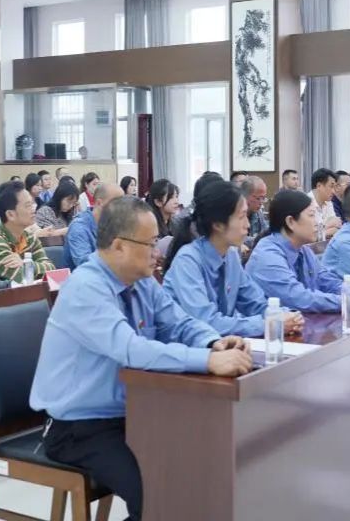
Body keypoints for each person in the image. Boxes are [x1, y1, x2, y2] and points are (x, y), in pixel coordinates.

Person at [30, 197, 253, 521]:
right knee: (157, 493)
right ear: (119, 246)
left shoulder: (142, 281)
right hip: (79, 427)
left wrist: (213, 341)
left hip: (136, 414)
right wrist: (207, 361)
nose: (157, 252)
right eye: (149, 244)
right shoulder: (86, 288)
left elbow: (179, 323)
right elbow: (132, 351)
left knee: (201, 470)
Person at [163, 181, 304, 337]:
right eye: (241, 217)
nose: (247, 225)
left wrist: (285, 316)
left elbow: (255, 303)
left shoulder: (230, 255)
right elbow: (206, 322)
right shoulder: (188, 261)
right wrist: (268, 324)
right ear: (218, 224)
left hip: (222, 346)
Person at [247, 190, 350, 313]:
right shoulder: (268, 254)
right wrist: (349, 301)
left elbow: (326, 281)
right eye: (311, 215)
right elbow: (298, 298)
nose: (318, 222)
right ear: (291, 221)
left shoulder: (303, 250)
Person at [0, 181, 53, 281]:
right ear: (11, 214)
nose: (33, 209)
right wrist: (33, 267)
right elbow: (21, 278)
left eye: (32, 204)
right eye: (28, 205)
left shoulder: (29, 237)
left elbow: (51, 270)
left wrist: (27, 264)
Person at [65, 183, 123, 269]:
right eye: (117, 203)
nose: (122, 208)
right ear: (99, 203)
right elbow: (85, 265)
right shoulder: (79, 227)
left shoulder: (114, 225)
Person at [309, 168, 342, 239]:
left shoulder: (329, 202)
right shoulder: (305, 204)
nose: (333, 191)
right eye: (331, 186)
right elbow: (309, 236)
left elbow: (337, 227)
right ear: (319, 186)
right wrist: (327, 226)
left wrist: (321, 231)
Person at [240, 176, 268, 247]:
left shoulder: (259, 213)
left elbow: (265, 234)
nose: (261, 202)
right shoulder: (233, 214)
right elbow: (235, 237)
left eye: (263, 198)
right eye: (258, 198)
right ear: (244, 196)